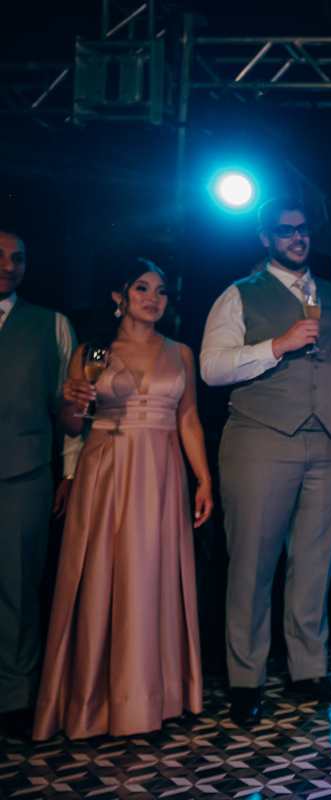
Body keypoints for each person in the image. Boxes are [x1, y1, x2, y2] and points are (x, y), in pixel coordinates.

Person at [200, 198, 331, 725]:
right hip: (261, 440)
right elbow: (212, 368)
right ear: (265, 237)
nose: (297, 238)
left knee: (315, 565)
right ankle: (246, 678)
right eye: (285, 230)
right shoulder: (239, 294)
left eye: (303, 230)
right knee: (252, 565)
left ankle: (307, 669)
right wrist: (276, 345)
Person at [33, 259, 211, 739]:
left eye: (161, 291)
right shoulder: (93, 352)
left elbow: (189, 419)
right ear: (119, 296)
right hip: (107, 471)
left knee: (153, 577)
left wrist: (204, 479)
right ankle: (95, 702)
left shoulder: (181, 352)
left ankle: (155, 696)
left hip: (162, 474)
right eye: (141, 289)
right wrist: (73, 402)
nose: (153, 298)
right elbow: (72, 425)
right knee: (102, 578)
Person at [0, 229, 78, 740]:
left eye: (19, 258)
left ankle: (14, 699)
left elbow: (67, 407)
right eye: (0, 256)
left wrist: (69, 471)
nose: (9, 266)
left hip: (23, 473)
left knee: (18, 590)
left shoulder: (52, 325)